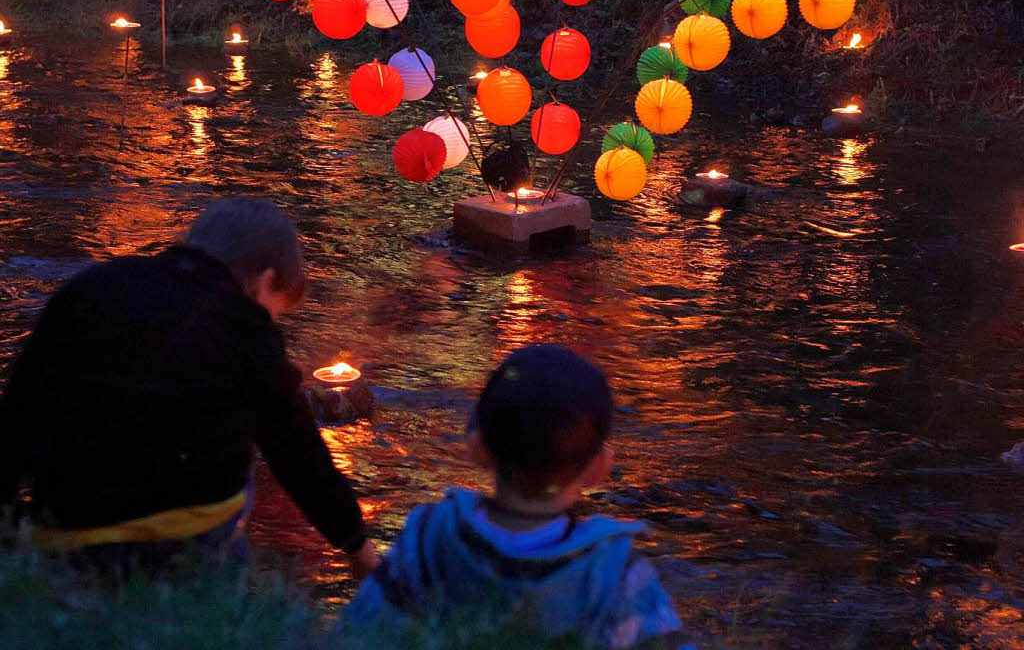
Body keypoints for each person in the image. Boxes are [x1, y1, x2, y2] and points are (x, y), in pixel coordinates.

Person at [0, 198, 378, 579]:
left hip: (64, 532)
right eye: (275, 310)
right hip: (177, 541)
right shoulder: (244, 325)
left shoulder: (89, 287)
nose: (271, 321)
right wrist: (357, 546)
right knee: (249, 439)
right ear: (265, 280)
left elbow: (18, 410)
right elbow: (296, 450)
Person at [341, 344, 693, 649]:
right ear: (599, 468)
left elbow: (359, 630)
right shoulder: (614, 571)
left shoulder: (429, 537)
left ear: (477, 448)